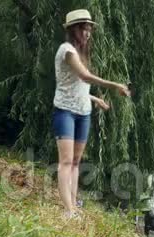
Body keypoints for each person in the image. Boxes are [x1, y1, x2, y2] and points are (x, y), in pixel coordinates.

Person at [53, 9, 131, 219]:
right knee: (66, 161)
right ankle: (68, 210)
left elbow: (78, 87)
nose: (87, 33)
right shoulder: (67, 50)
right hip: (65, 112)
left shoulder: (82, 54)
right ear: (72, 30)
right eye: (83, 29)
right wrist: (115, 85)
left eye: (89, 30)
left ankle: (74, 203)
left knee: (77, 161)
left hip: (83, 112)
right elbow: (85, 77)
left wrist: (95, 99)